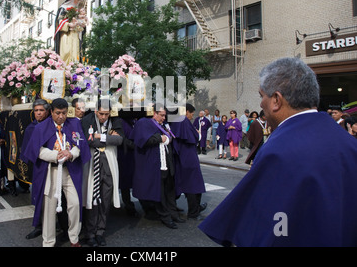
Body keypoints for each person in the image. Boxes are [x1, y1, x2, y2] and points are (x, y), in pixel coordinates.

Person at [198, 57, 357, 246]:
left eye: (261, 96)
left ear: (276, 100)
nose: (260, 105)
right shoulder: (348, 142)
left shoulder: (279, 149)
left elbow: (268, 228)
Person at [22, 98, 91, 247]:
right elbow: (37, 150)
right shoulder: (41, 128)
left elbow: (80, 144)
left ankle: (74, 238)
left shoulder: (74, 124)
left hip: (69, 170)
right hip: (50, 172)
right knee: (49, 209)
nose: (61, 116)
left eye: (64, 113)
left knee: (75, 204)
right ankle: (48, 242)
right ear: (51, 112)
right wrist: (55, 155)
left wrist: (71, 153)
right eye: (58, 113)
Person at [131, 104, 183, 230]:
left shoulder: (163, 125)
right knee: (160, 193)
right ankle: (165, 217)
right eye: (162, 115)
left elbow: (169, 137)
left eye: (165, 115)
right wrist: (161, 138)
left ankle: (173, 214)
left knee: (169, 191)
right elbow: (143, 139)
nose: (164, 118)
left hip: (166, 163)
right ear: (154, 113)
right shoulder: (144, 123)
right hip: (154, 165)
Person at [81, 99, 124, 247]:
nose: (104, 117)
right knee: (92, 198)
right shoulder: (87, 120)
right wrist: (109, 138)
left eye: (106, 114)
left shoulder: (115, 120)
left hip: (109, 164)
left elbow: (120, 140)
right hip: (93, 163)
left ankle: (100, 231)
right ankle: (90, 233)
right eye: (101, 114)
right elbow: (89, 141)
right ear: (95, 111)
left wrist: (101, 136)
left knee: (105, 200)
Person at [170, 104, 207, 220]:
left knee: (183, 184)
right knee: (193, 186)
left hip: (181, 157)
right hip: (188, 157)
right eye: (191, 113)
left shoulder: (176, 121)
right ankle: (194, 212)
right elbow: (195, 136)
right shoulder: (183, 121)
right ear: (186, 112)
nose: (192, 116)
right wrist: (197, 133)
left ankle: (194, 208)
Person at [23, 99, 51, 240]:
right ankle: (38, 225)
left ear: (47, 111)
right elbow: (27, 149)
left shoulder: (53, 125)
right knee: (39, 195)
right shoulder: (31, 128)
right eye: (36, 111)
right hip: (39, 167)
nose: (38, 113)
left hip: (54, 165)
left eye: (41, 110)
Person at [53, 0, 85, 64]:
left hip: (75, 33)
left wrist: (80, 25)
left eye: (79, 0)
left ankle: (75, 66)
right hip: (66, 34)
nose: (77, 2)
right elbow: (59, 21)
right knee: (66, 50)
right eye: (77, 0)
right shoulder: (63, 8)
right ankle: (65, 66)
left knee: (76, 50)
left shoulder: (77, 11)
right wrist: (68, 25)